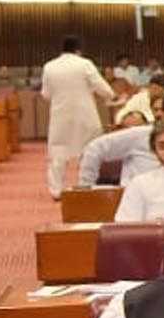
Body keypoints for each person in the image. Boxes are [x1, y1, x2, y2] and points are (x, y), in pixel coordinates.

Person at [77, 90, 164, 185]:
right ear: (163, 115)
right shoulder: (139, 135)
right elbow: (94, 149)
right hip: (136, 204)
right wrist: (86, 188)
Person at [40, 35, 116, 198]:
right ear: (78, 50)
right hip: (85, 114)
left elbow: (46, 94)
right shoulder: (85, 64)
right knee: (90, 149)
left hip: (60, 115)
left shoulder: (49, 66)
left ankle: (56, 190)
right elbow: (102, 87)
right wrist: (110, 95)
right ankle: (88, 185)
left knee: (58, 152)